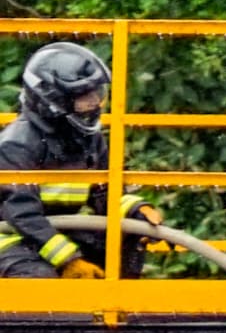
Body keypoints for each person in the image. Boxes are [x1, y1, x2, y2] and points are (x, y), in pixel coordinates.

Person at [0, 40, 168, 278]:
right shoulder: (16, 145)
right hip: (12, 239)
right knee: (39, 279)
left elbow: (104, 195)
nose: (95, 102)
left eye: (98, 93)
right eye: (84, 96)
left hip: (56, 234)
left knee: (124, 239)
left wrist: (137, 211)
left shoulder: (87, 138)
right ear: (54, 101)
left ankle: (117, 310)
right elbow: (22, 215)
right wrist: (69, 261)